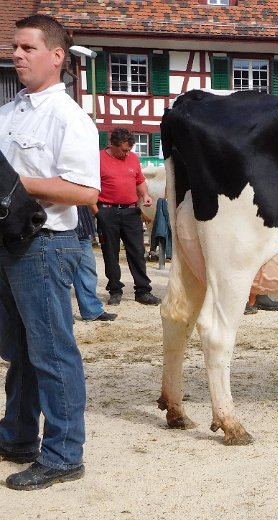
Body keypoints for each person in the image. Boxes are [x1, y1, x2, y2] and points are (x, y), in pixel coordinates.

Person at [0, 14, 100, 489]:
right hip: (9, 244)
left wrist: (17, 186)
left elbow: (84, 192)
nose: (16, 54)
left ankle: (63, 455)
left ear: (56, 56)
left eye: (27, 48)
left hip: (43, 246)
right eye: (15, 47)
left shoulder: (69, 117)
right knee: (19, 352)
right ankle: (17, 436)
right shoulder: (10, 111)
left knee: (53, 352)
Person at [95, 128, 160, 306]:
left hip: (131, 211)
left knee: (138, 252)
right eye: (124, 150)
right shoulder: (98, 159)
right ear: (112, 145)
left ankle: (143, 291)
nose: (127, 153)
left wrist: (145, 195)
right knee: (110, 253)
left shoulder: (133, 158)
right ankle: (115, 290)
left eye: (129, 150)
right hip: (107, 211)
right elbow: (91, 186)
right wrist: (96, 212)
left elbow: (139, 181)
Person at [74, 204, 117, 321]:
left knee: (88, 270)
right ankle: (62, 315)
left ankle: (92, 311)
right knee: (59, 275)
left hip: (82, 228)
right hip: (59, 230)